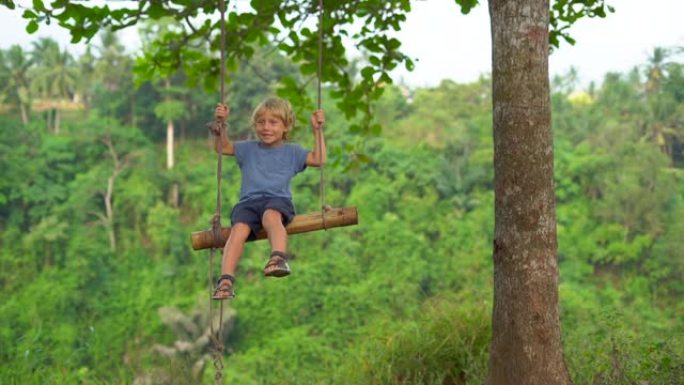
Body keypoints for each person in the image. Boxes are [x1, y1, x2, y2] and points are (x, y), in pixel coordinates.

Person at [209, 97, 326, 300]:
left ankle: (278, 258)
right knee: (238, 230)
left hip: (277, 200)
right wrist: (222, 124)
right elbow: (222, 147)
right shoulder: (248, 149)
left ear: (286, 126)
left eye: (273, 122)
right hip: (248, 203)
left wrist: (317, 131)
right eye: (261, 122)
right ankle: (226, 281)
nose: (266, 128)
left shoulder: (293, 151)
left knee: (271, 217)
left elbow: (319, 159)